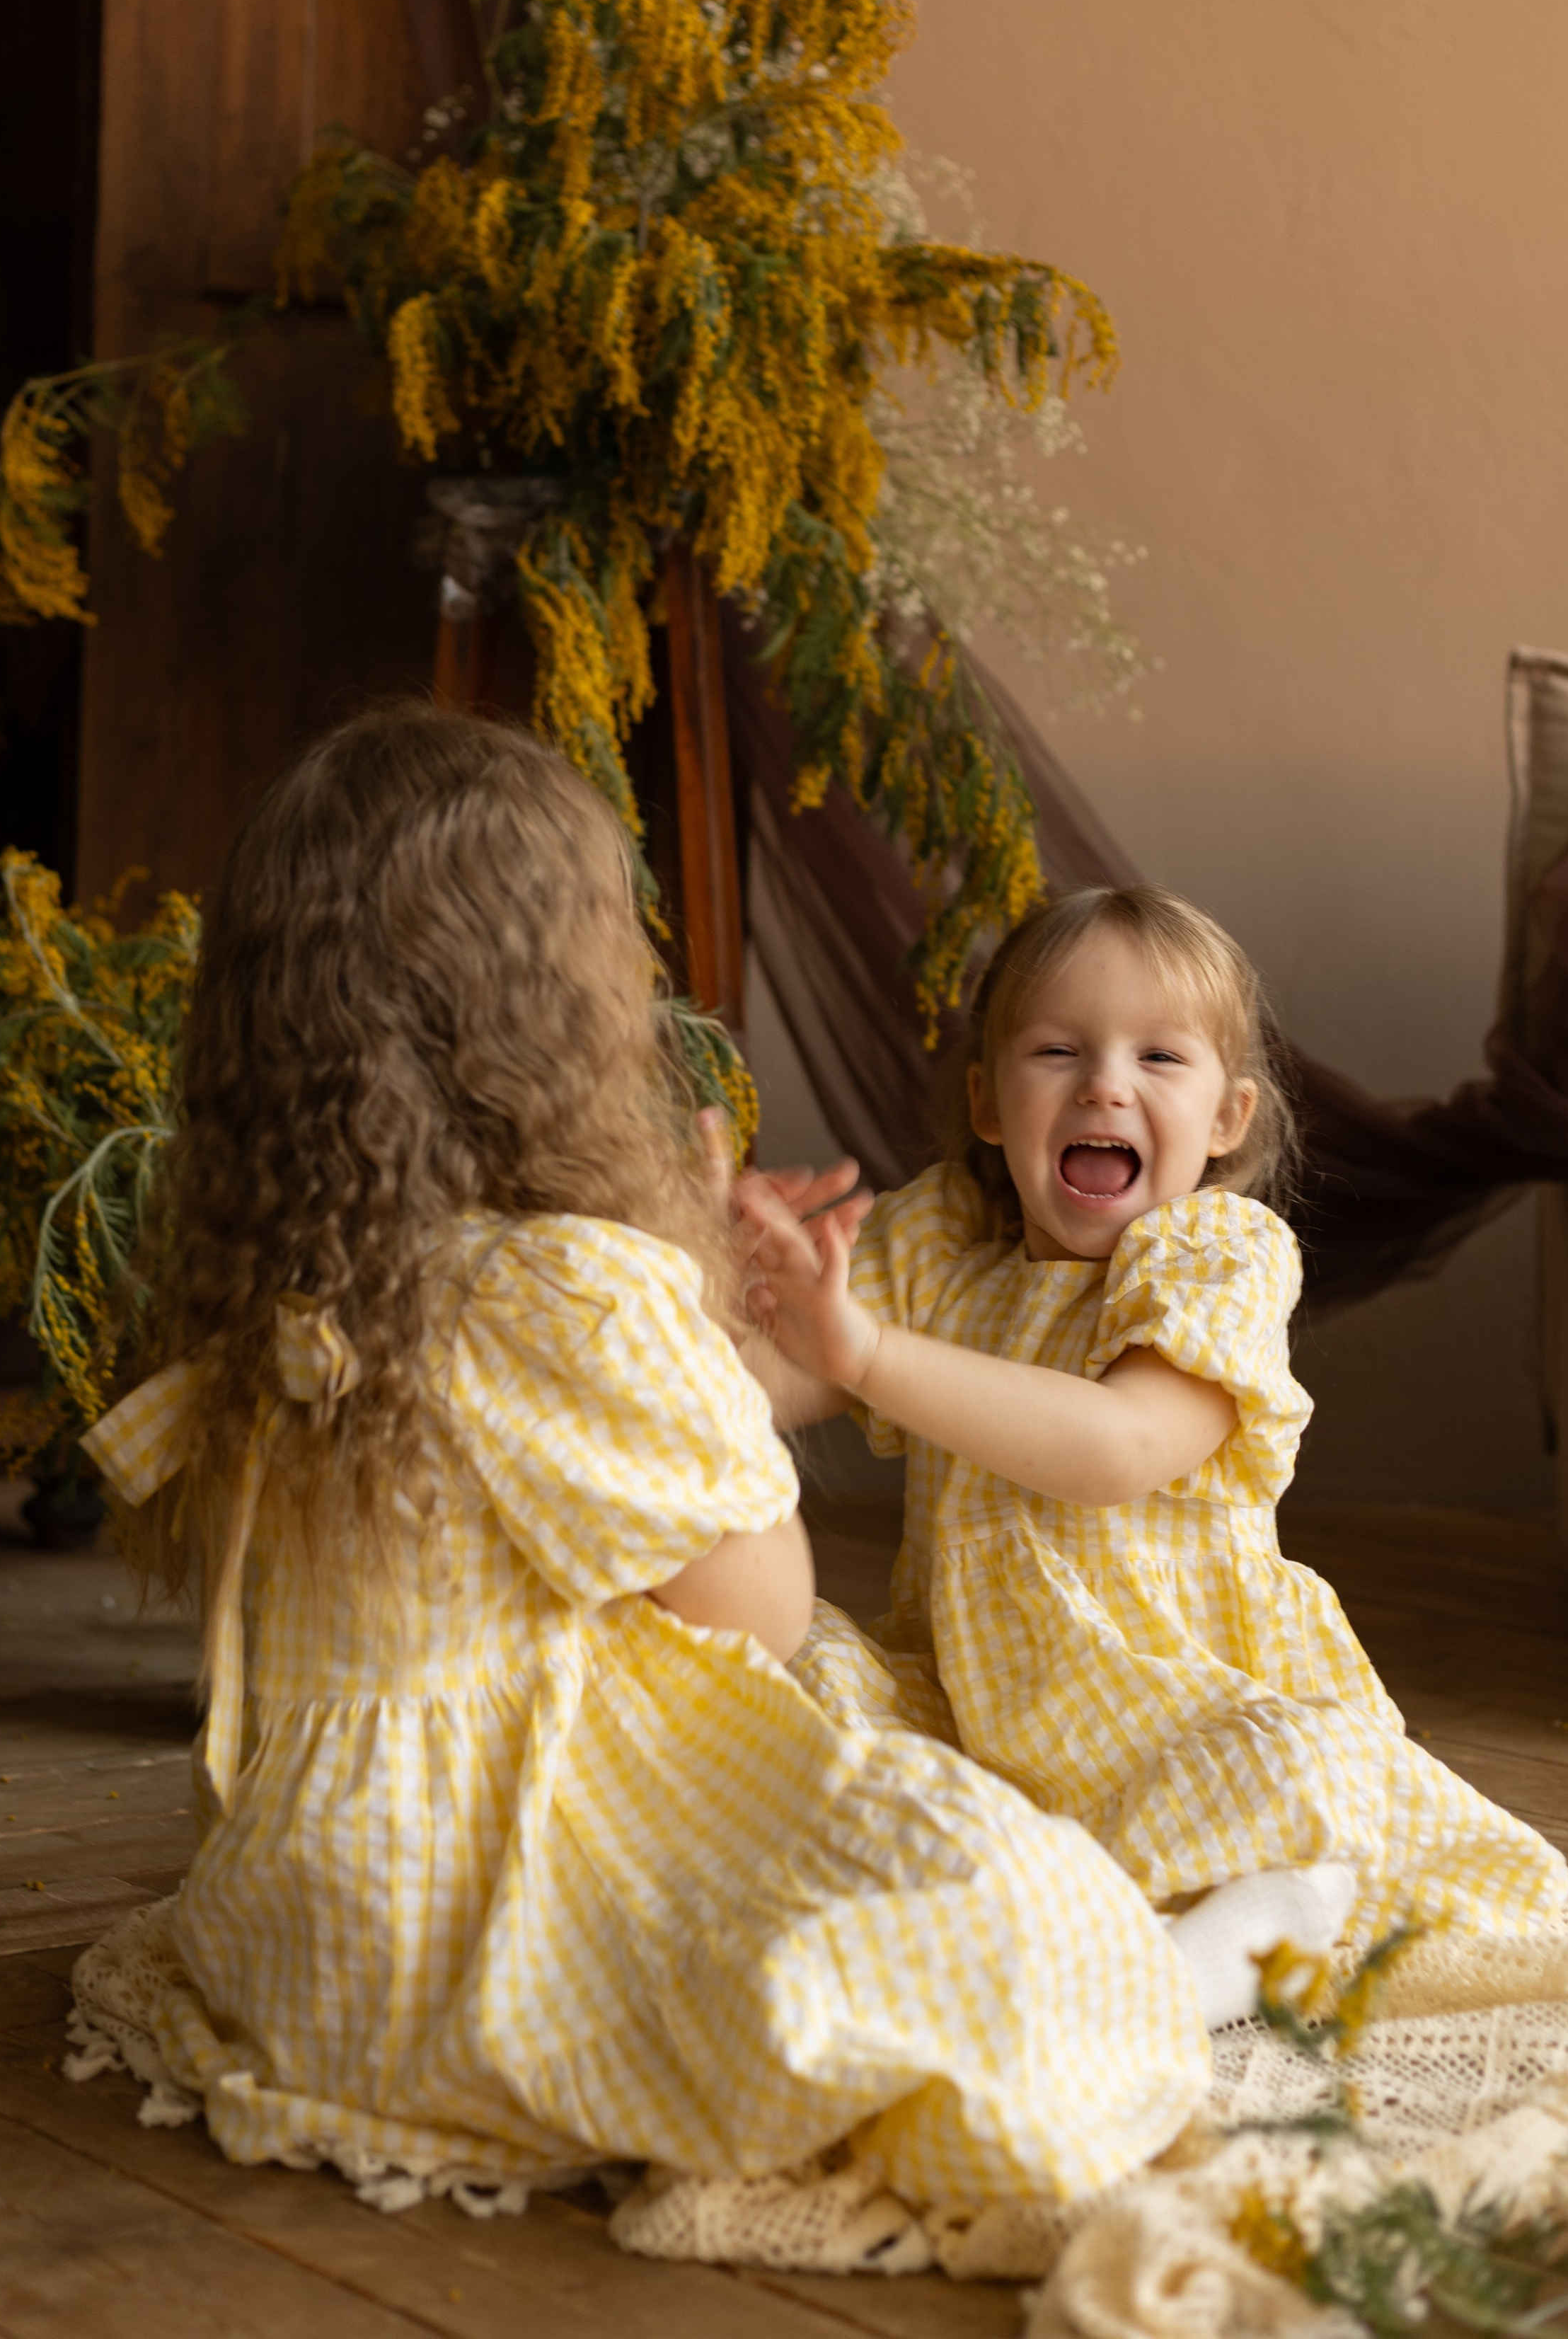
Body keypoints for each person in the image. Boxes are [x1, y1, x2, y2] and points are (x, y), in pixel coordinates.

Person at [81, 711, 1329, 2223]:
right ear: (550, 1014)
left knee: (876, 1800)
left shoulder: (325, 1277)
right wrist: (670, 1289)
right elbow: (754, 1611)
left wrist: (688, 1297)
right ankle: (1184, 1972)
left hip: (307, 1935)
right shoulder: (569, 1286)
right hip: (480, 1908)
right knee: (969, 1894)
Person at [741, 885, 1568, 1960]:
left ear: (1228, 1118)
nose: (1105, 1085)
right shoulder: (940, 1244)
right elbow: (764, 1387)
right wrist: (715, 1291)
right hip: (973, 1708)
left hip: (1176, 1698)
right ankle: (1033, 1905)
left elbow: (1116, 1448)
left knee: (1300, 1771)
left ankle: (1189, 1972)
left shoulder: (1217, 1257)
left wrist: (869, 1355)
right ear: (990, 1107)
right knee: (808, 1675)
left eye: (1160, 1059)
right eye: (1057, 1052)